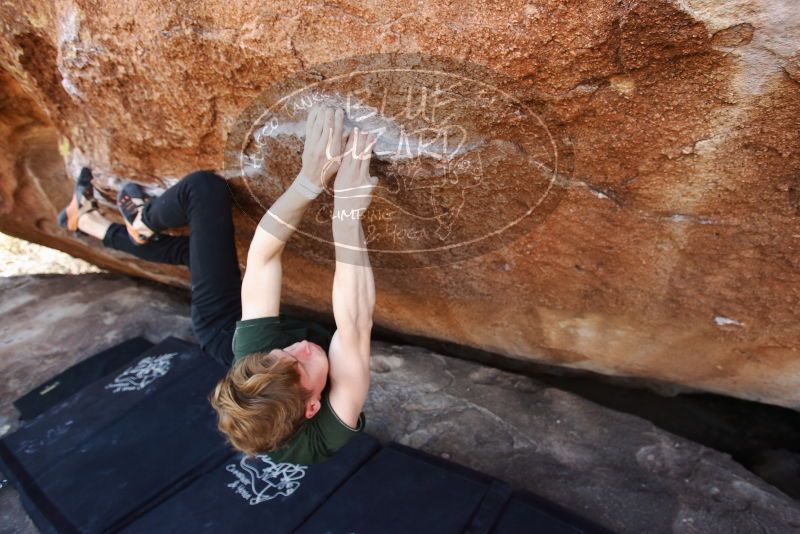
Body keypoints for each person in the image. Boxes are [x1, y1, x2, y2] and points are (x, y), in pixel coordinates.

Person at [57, 105, 378, 464]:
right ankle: (89, 222)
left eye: (282, 353)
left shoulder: (255, 353)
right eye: (300, 364)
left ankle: (140, 223)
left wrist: (308, 181)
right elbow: (354, 325)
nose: (299, 347)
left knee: (202, 190)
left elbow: (264, 258)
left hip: (219, 325)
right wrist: (346, 213)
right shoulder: (326, 431)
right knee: (196, 252)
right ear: (313, 407)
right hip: (267, 358)